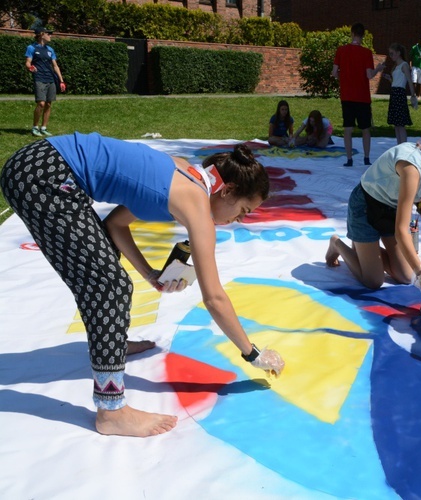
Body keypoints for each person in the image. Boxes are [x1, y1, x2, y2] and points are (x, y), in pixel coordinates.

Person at [0, 133, 285, 437]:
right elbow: (214, 298)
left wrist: (150, 274)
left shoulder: (186, 176)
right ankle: (111, 411)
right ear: (227, 191)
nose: (237, 221)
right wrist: (253, 354)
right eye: (242, 212)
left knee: (112, 282)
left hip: (37, 166)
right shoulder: (195, 202)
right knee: (108, 286)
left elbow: (115, 225)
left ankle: (112, 345)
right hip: (41, 175)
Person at [325, 139, 421, 302]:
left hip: (391, 206)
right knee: (373, 281)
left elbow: (417, 189)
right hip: (366, 204)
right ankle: (337, 245)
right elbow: (401, 230)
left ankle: (364, 249)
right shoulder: (412, 168)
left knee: (404, 276)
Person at [332, 22, 386, 167]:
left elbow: (334, 72)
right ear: (363, 35)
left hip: (347, 95)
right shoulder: (367, 53)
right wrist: (379, 69)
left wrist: (343, 78)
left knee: (348, 129)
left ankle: (349, 159)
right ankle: (366, 158)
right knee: (365, 129)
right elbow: (369, 75)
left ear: (352, 33)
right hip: (362, 96)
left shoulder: (341, 51)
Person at [25, 27, 65, 137]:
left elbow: (55, 66)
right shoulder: (32, 48)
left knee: (48, 104)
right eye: (49, 34)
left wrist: (61, 81)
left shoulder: (50, 50)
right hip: (39, 78)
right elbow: (28, 62)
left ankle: (43, 127)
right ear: (42, 34)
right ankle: (35, 127)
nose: (50, 36)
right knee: (41, 103)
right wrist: (30, 67)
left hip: (50, 79)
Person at [383, 43, 418, 144]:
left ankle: (403, 145)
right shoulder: (396, 66)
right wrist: (390, 79)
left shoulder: (404, 65)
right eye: (390, 54)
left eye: (392, 53)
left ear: (398, 53)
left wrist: (413, 95)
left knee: (400, 123)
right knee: (396, 123)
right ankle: (399, 144)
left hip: (399, 94)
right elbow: (396, 82)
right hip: (394, 93)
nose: (391, 56)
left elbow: (409, 81)